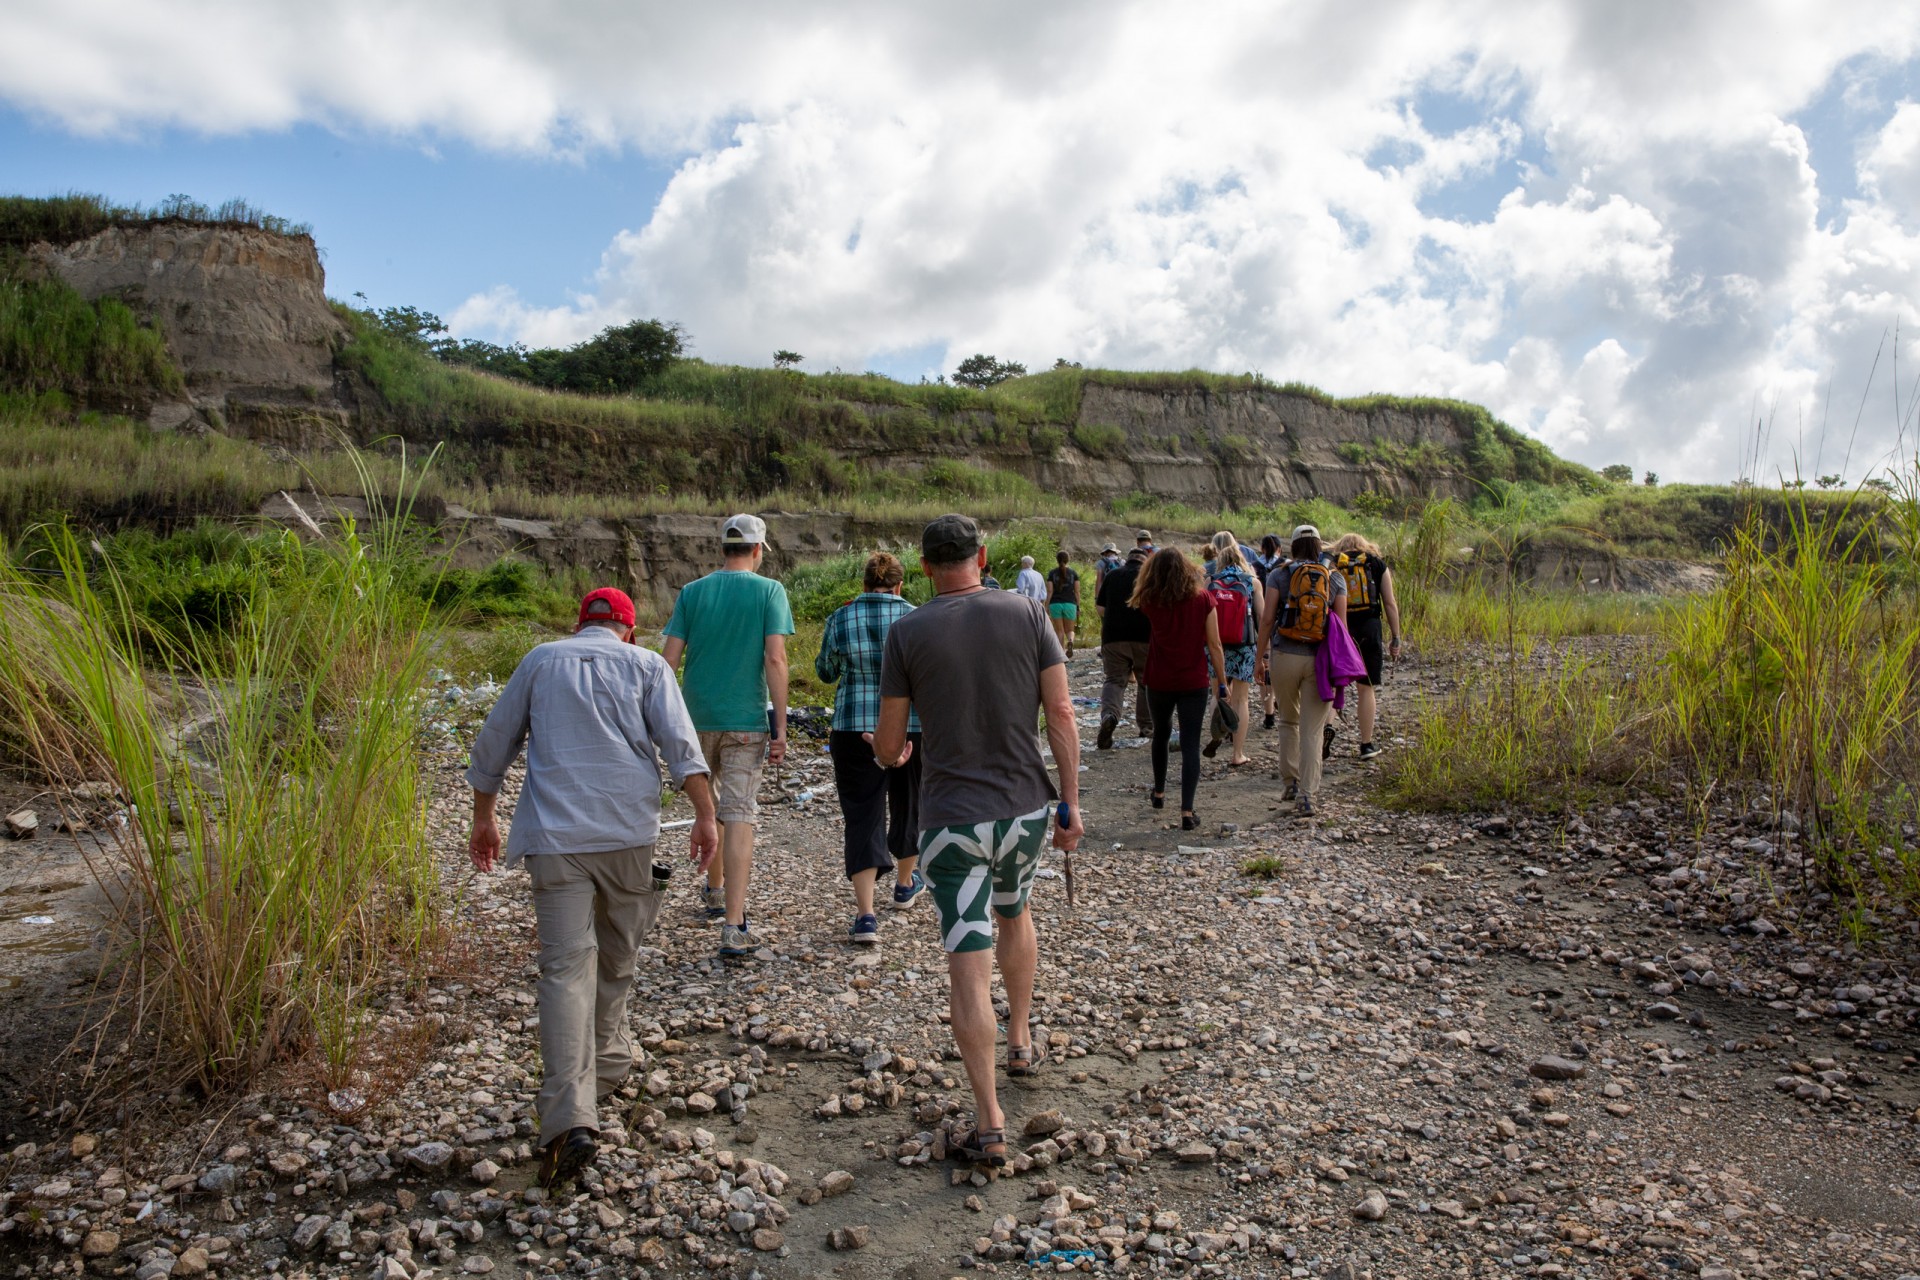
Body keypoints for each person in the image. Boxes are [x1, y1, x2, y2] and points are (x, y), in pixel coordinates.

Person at [467, 587, 720, 1188]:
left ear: (578, 623)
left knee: (563, 970)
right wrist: (706, 817)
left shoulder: (539, 660)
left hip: (554, 839)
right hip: (627, 834)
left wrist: (485, 816)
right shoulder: (648, 665)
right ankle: (601, 1072)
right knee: (618, 956)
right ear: (628, 630)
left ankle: (570, 1115)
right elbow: (682, 751)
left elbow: (492, 744)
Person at [873, 514, 1084, 1169]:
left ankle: (989, 1119)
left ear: (926, 564)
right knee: (1014, 907)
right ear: (982, 556)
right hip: (1022, 810)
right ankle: (1021, 1036)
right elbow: (1061, 713)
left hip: (951, 818)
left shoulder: (906, 631)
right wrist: (1069, 804)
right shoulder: (1027, 613)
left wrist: (901, 748)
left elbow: (887, 746)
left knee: (968, 952)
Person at [661, 514, 795, 959]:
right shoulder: (769, 591)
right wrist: (780, 726)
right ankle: (735, 925)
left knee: (709, 806)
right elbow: (775, 660)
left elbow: (669, 661)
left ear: (724, 548)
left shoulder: (693, 593)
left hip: (694, 719)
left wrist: (662, 722)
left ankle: (714, 890)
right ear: (758, 551)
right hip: (745, 720)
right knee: (739, 812)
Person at [814, 552, 926, 945]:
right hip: (911, 726)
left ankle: (865, 916)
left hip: (851, 726)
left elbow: (826, 671)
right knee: (910, 802)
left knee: (863, 813)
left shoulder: (840, 618)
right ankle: (904, 883)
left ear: (864, 585)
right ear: (899, 585)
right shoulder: (917, 618)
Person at [1130, 548, 1227, 831]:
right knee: (1190, 744)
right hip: (1193, 681)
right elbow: (1215, 645)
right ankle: (1187, 811)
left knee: (1160, 734)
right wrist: (1222, 683)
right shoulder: (1203, 599)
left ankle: (1159, 792)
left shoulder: (1148, 600)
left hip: (1158, 679)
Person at [1255, 524, 1348, 817]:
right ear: (1320, 546)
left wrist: (1261, 657)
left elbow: (1268, 620)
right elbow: (1341, 627)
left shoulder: (1279, 574)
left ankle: (1290, 783)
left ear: (1293, 546)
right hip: (1319, 659)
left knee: (1287, 721)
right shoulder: (1334, 578)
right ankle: (1308, 796)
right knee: (1312, 729)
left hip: (1284, 655)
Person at [1329, 533, 1403, 759]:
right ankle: (1366, 745)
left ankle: (1326, 729)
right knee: (1366, 687)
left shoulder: (1332, 564)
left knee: (1332, 684)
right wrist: (1396, 637)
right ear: (1365, 546)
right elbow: (1389, 603)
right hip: (1369, 628)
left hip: (1339, 628)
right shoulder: (1376, 564)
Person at [1202, 531, 1258, 766]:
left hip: (1216, 645)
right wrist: (1264, 653)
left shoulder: (1210, 581)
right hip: (1244, 645)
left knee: (1218, 692)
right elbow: (1262, 617)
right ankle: (1238, 754)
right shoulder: (1251, 582)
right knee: (1241, 699)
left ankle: (1218, 733)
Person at [1093, 545, 1153, 750]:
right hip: (1145, 638)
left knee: (1114, 681)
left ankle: (1109, 715)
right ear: (1145, 561)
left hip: (1113, 638)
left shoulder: (1112, 575)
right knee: (1146, 681)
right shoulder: (1151, 577)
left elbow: (1101, 608)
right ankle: (1146, 727)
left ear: (1127, 560)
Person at [1250, 535, 1284, 729]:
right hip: (1281, 623)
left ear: (1261, 548)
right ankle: (1277, 701)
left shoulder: (1254, 566)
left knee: (1263, 665)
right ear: (1279, 548)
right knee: (1275, 667)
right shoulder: (1284, 565)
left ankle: (1268, 713)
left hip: (1258, 623)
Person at [1046, 551, 1081, 657]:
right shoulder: (1074, 573)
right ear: (1068, 560)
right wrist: (1078, 607)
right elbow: (1077, 592)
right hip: (1070, 603)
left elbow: (1050, 591)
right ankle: (1070, 641)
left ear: (1057, 560)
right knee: (1070, 630)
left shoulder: (1052, 573)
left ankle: (1061, 654)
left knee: (1059, 631)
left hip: (1055, 604)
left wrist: (1046, 606)